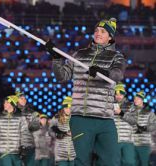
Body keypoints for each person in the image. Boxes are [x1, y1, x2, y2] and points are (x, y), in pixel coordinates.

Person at [49, 18, 126, 165]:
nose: (98, 33)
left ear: (110, 36)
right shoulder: (79, 54)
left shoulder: (116, 56)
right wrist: (56, 59)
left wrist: (102, 72)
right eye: (96, 30)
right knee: (83, 160)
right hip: (81, 118)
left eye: (103, 31)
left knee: (111, 160)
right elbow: (62, 76)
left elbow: (118, 75)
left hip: (105, 119)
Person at [0, 95, 30, 166]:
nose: (4, 104)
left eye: (6, 103)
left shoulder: (20, 117)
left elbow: (24, 133)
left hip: (16, 152)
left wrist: (23, 147)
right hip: (4, 151)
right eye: (4, 103)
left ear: (12, 104)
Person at [112, 83, 136, 166]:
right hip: (114, 140)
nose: (118, 96)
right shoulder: (109, 106)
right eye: (117, 94)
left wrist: (121, 113)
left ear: (124, 94)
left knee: (129, 163)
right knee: (114, 163)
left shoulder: (131, 105)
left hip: (127, 140)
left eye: (120, 94)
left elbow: (134, 120)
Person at [131, 91, 156, 166]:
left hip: (144, 144)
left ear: (142, 100)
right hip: (131, 143)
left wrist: (144, 128)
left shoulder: (149, 113)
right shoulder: (130, 112)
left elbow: (153, 127)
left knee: (144, 163)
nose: (136, 100)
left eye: (138, 98)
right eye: (135, 98)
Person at [16, 91, 40, 166]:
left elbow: (37, 126)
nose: (24, 100)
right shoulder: (12, 112)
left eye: (25, 99)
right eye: (21, 98)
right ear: (16, 100)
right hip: (16, 146)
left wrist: (31, 125)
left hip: (29, 145)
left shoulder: (31, 112)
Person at [50, 96, 75, 166]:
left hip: (73, 153)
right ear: (63, 108)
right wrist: (59, 133)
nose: (68, 110)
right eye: (66, 108)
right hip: (61, 153)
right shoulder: (56, 118)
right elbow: (50, 130)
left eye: (70, 108)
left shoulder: (75, 118)